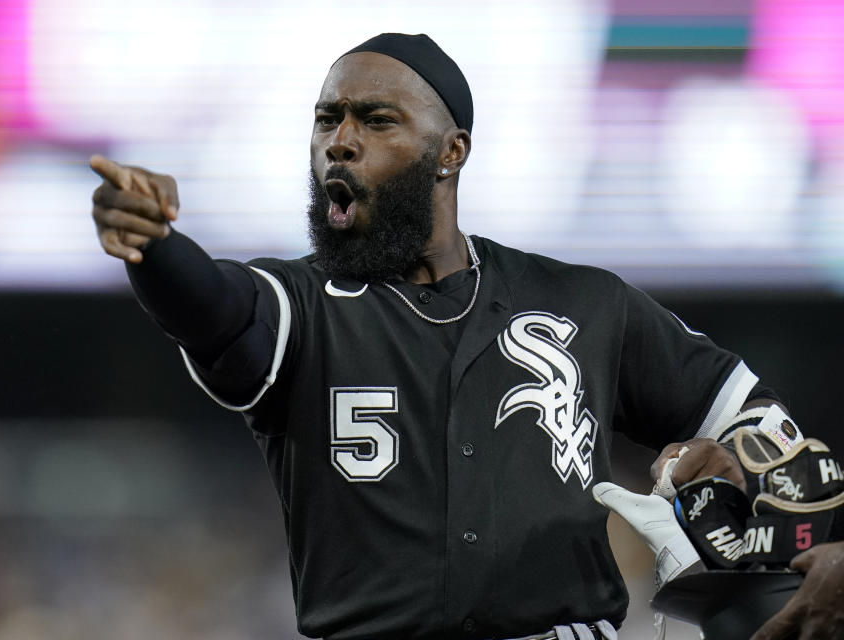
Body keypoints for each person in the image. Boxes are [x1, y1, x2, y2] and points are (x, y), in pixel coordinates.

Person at [88, 33, 826, 640]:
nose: (340, 142)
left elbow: (761, 424)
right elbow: (215, 308)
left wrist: (770, 503)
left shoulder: (582, 302)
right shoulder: (303, 306)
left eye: (376, 120)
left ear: (450, 152)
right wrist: (153, 247)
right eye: (327, 119)